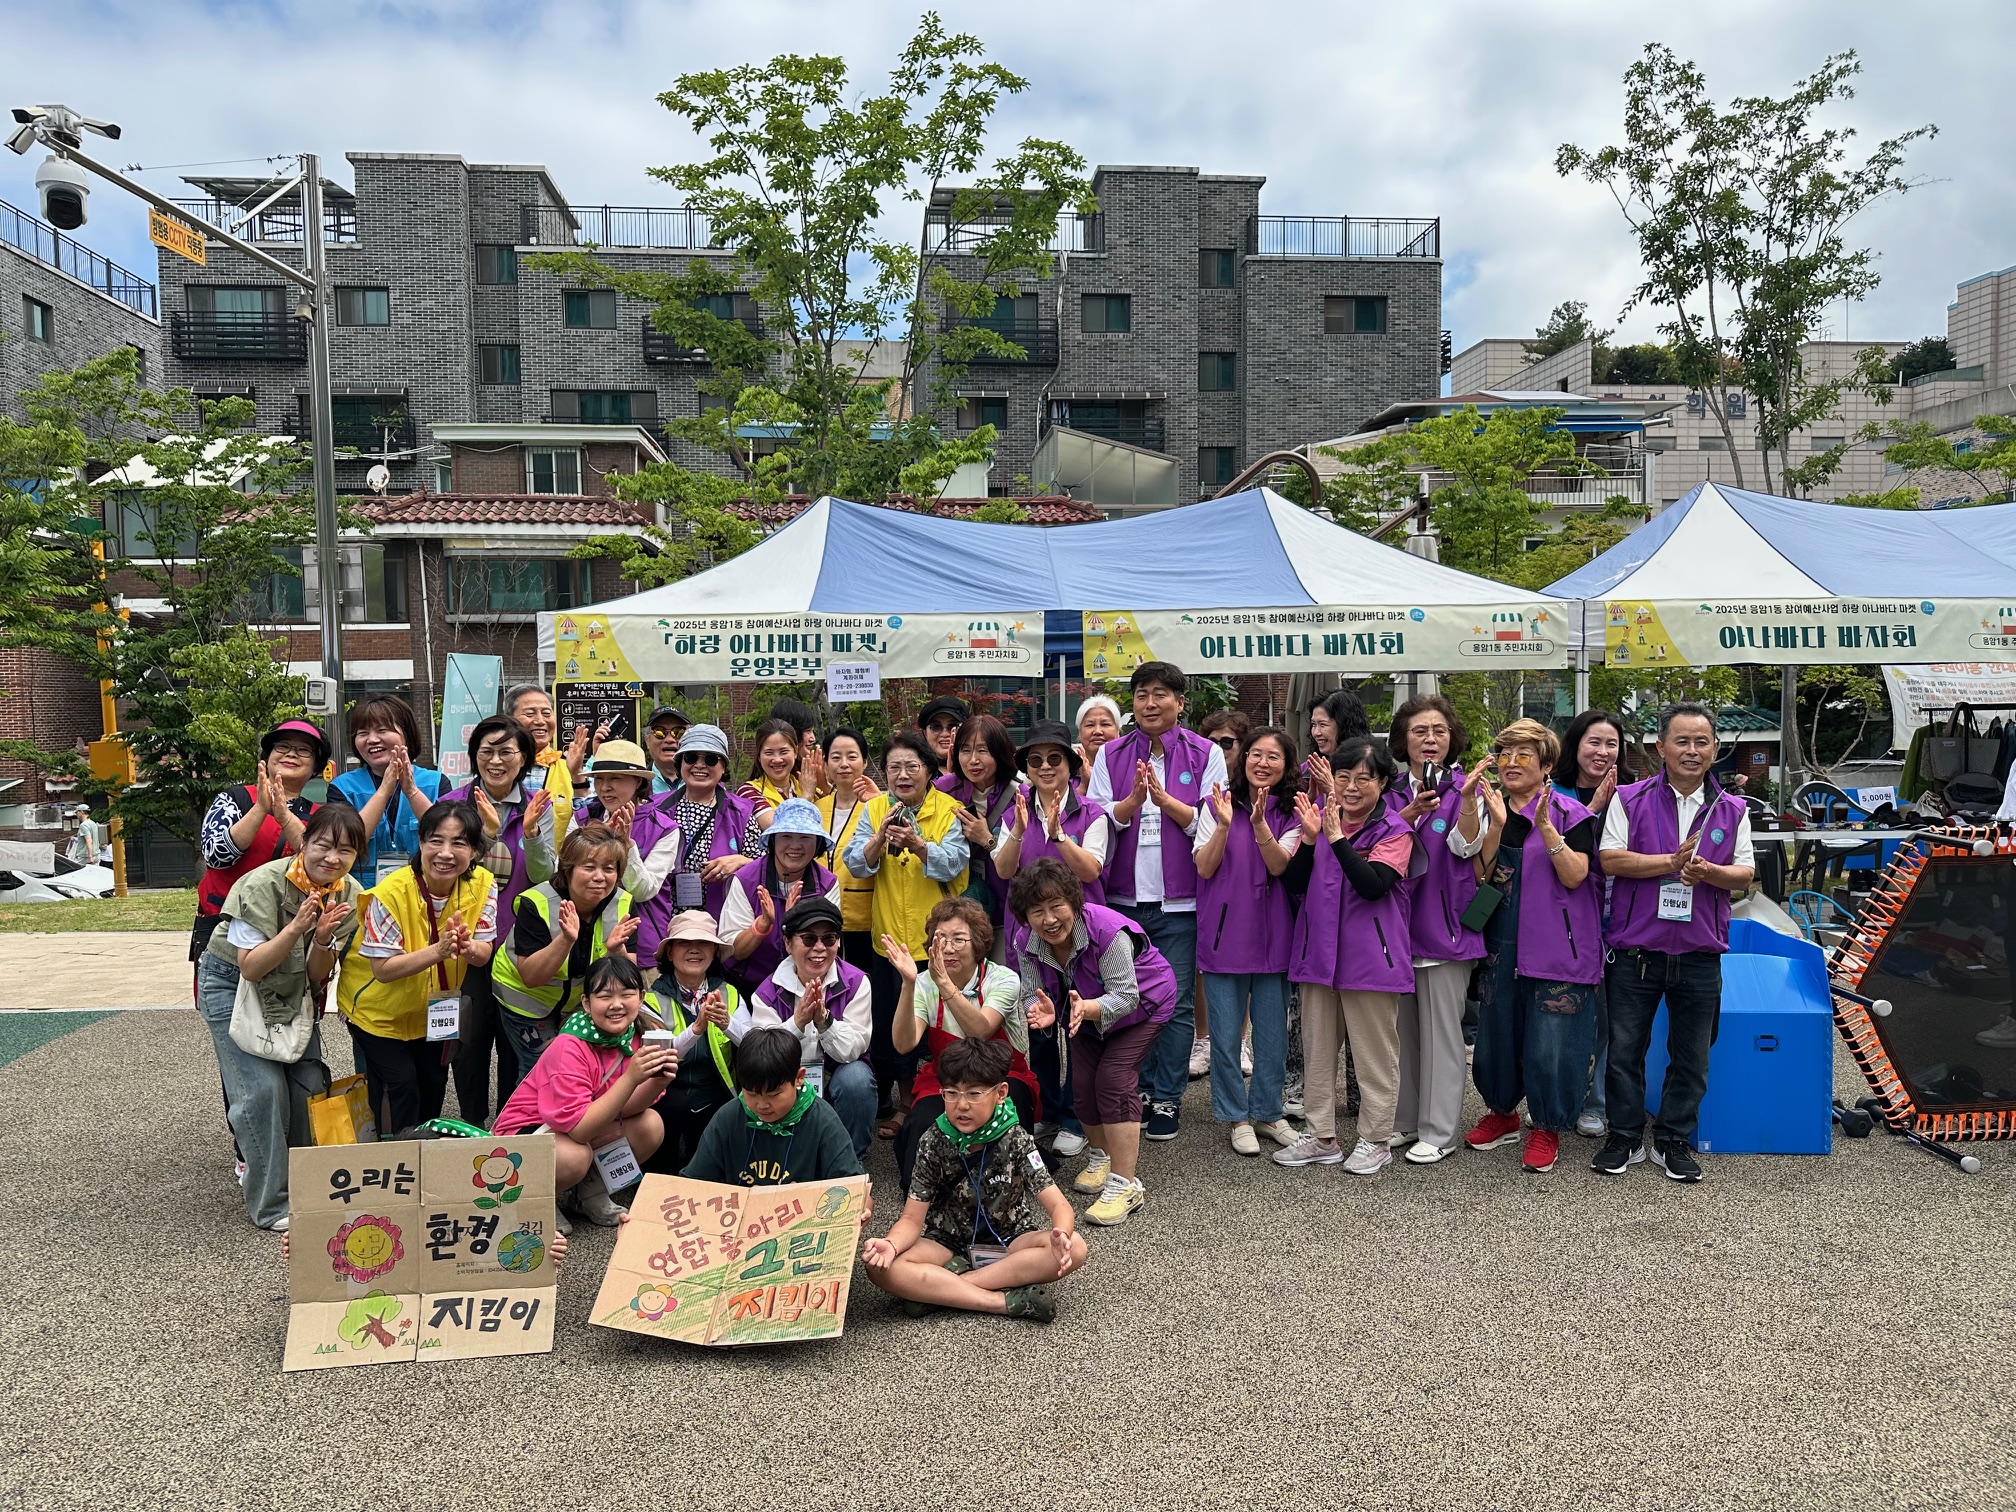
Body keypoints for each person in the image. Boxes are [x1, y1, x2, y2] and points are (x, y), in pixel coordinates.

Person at [1596, 703, 1755, 1183]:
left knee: (1693, 1057)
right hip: (1636, 952)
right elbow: (1609, 859)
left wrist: (1708, 871)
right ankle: (1624, 1136)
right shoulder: (1629, 799)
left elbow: (1745, 874)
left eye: (1701, 742)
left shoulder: (1732, 809)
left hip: (1700, 953)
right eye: (1681, 741)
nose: (1692, 750)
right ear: (1660, 747)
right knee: (1624, 1053)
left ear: (1715, 749)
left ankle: (1673, 1140)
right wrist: (1670, 862)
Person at [198, 804, 367, 1231]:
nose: (332, 858)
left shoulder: (349, 895)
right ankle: (271, 1204)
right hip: (233, 983)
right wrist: (296, 928)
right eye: (323, 845)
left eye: (345, 851)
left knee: (308, 1086)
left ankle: (306, 1190)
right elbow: (252, 967)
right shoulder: (261, 884)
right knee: (261, 1091)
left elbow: (314, 973)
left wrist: (322, 939)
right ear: (303, 842)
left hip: (294, 986)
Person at [1084, 661, 1226, 1143]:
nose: (1150, 703)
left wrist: (1165, 802)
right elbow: (1096, 818)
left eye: (1161, 694)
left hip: (1180, 903)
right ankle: (1138, 1091)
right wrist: (1131, 803)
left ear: (1180, 702)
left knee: (1178, 1004)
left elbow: (1213, 823)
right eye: (1142, 694)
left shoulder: (1206, 753)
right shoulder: (1112, 754)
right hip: (1122, 903)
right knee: (1131, 1000)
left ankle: (1168, 1096)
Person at [1459, 720, 1605, 1176]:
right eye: (1504, 754)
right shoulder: (1492, 810)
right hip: (1502, 943)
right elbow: (1482, 876)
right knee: (1496, 1035)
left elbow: (1576, 876)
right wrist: (1495, 826)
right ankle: (1502, 1112)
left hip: (1560, 945)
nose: (1511, 763)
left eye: (1523, 754)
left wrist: (1545, 828)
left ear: (1546, 765)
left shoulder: (1571, 814)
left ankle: (1548, 1125)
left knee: (1552, 1043)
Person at [864, 1036, 1086, 1324]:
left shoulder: (1016, 1137)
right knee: (880, 1266)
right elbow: (911, 1219)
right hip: (947, 1242)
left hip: (1010, 1240)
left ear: (1000, 1092)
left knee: (1076, 1247)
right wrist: (891, 1244)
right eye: (951, 1093)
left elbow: (1059, 1205)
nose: (962, 1105)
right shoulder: (933, 1140)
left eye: (974, 1094)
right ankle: (999, 1301)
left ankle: (945, 1289)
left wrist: (1061, 1234)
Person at [1010, 859, 1176, 1227]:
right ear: (1025, 916)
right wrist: (1041, 1010)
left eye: (1056, 906)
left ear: (1073, 902)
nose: (1049, 919)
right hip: (1079, 1010)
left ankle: (1126, 1185)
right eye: (1036, 911)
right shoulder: (1024, 940)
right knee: (1082, 1087)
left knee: (1113, 1080)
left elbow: (1126, 996)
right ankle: (1102, 1156)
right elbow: (1031, 992)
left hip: (1143, 1005)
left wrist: (1087, 1008)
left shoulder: (1108, 931)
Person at [1275, 738, 1414, 1175]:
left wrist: (1334, 838)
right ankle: (1321, 1136)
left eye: (1363, 778)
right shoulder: (1317, 819)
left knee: (1374, 1056)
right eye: (1343, 777)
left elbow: (1373, 885)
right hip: (1318, 954)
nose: (1351, 787)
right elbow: (1294, 883)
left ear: (1383, 782)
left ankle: (1376, 1139)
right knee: (1317, 1051)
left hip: (1371, 958)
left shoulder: (1394, 829)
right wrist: (1311, 839)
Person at [335, 799, 498, 1134]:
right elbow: (383, 969)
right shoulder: (390, 893)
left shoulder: (483, 884)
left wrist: (467, 947)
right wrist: (440, 950)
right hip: (377, 1011)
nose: (445, 853)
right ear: (421, 843)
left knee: (433, 1083)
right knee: (401, 1087)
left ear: (474, 851)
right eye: (436, 840)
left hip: (432, 1011)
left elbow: (483, 953)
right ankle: (397, 1154)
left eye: (459, 843)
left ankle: (423, 1150)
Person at [842, 731, 972, 1137]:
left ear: (929, 770)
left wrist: (917, 843)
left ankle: (950, 1102)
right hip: (890, 943)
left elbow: (955, 863)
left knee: (943, 1027)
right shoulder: (875, 808)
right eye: (894, 767)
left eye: (911, 766)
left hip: (939, 943)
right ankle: (905, 1104)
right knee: (895, 1029)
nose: (902, 775)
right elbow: (855, 862)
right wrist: (879, 838)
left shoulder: (949, 809)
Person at [994, 720, 1110, 1156]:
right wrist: (1020, 830)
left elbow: (1091, 870)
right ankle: (1048, 1107)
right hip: (1029, 937)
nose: (1045, 767)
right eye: (1036, 760)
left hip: (1078, 937)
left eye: (1055, 758)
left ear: (1071, 765)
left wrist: (1058, 833)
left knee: (1078, 1027)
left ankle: (1077, 1118)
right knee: (1038, 1021)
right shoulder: (1014, 812)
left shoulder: (1092, 813)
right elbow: (1004, 869)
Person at [492, 955, 672, 1226]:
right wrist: (632, 1077)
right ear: (586, 1003)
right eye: (604, 996)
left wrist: (658, 1081)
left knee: (650, 1125)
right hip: (526, 1135)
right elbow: (580, 1130)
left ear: (641, 997)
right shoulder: (569, 1045)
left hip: (571, 1129)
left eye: (626, 994)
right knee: (575, 1156)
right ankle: (534, 1201)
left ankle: (589, 1193)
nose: (616, 1004)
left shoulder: (640, 1036)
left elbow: (623, 1108)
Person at [1194, 726, 1303, 1156]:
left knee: (1273, 1035)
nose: (1263, 763)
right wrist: (1225, 825)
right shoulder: (1216, 803)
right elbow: (1204, 867)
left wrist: (1259, 824)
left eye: (1274, 756)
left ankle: (1268, 1112)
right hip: (1225, 935)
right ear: (1243, 759)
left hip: (1276, 935)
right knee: (1224, 1035)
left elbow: (1279, 865)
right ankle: (1236, 1116)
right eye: (1256, 753)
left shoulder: (1294, 811)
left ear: (1286, 765)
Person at [444, 714, 557, 1126]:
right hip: (467, 944)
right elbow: (445, 870)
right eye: (486, 751)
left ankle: (512, 1130)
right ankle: (471, 1125)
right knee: (468, 1044)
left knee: (518, 1046)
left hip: (521, 947)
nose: (495, 760)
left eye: (506, 751)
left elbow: (547, 875)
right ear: (474, 755)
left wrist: (531, 834)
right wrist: (487, 836)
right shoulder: (453, 805)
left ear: (524, 757)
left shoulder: (540, 805)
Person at [887, 897, 1035, 1188]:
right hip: (946, 1077)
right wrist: (908, 984)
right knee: (921, 1121)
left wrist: (944, 983)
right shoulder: (924, 982)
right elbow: (904, 1045)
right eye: (940, 939)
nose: (948, 948)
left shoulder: (1003, 979)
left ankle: (1003, 1185)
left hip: (1001, 1074)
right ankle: (931, 1191)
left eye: (958, 939)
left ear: (977, 943)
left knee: (1010, 1100)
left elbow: (979, 1031)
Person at [1388, 695, 1478, 1165]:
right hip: (1394, 930)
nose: (1430, 739)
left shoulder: (1468, 789)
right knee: (1402, 1033)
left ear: (1451, 738)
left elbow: (1468, 846)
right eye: (1419, 730)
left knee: (1442, 1033)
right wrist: (1409, 813)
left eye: (1439, 730)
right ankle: (1406, 1120)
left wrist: (1464, 802)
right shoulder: (1388, 791)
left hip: (1446, 930)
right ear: (1403, 740)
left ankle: (1439, 1130)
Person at [489, 823, 640, 1077]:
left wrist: (616, 952)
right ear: (568, 869)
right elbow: (531, 977)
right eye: (589, 867)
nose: (600, 877)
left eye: (609, 869)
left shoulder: (623, 903)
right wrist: (566, 940)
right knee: (540, 1069)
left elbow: (630, 978)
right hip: (526, 999)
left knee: (576, 1066)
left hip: (577, 1003)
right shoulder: (536, 902)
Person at [741, 897, 878, 1158]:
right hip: (788, 1081)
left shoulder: (857, 982)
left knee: (857, 1079)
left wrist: (824, 1022)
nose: (820, 948)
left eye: (829, 939)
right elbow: (764, 1058)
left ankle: (851, 1158)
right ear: (788, 943)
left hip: (837, 1074)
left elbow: (852, 1050)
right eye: (808, 939)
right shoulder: (765, 993)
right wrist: (798, 1022)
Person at [193, 719, 331, 965]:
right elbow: (216, 857)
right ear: (267, 757)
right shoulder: (234, 798)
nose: (291, 753)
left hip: (286, 932)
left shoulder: (320, 816)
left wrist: (284, 816)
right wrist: (260, 809)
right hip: (224, 926)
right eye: (283, 746)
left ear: (316, 767)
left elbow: (322, 868)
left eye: (303, 750)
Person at [1552, 708, 1630, 1139]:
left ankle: (1596, 1104)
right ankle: (1557, 1099)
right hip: (1560, 919)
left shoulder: (1630, 794)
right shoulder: (1551, 791)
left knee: (1605, 1019)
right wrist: (1593, 808)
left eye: (1611, 744)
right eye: (1593, 742)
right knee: (1561, 1017)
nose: (1602, 751)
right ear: (1575, 744)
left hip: (1614, 920)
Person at [629, 724, 762, 963]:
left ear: (723, 767)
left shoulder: (741, 814)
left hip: (719, 926)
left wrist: (742, 861)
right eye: (691, 757)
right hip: (662, 926)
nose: (700, 765)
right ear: (680, 763)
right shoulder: (652, 809)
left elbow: (765, 867)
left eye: (710, 759)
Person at [681, 1025, 864, 1187]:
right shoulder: (728, 1117)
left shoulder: (822, 1120)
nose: (762, 1105)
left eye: (774, 1094)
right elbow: (694, 1182)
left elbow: (851, 1186)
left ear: (799, 1078)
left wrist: (863, 1206)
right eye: (751, 1093)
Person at [644, 910, 743, 1174]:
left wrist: (727, 1024)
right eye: (685, 943)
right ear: (670, 952)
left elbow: (754, 1042)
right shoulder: (651, 999)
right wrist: (696, 1029)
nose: (694, 949)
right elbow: (657, 1058)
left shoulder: (730, 992)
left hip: (717, 1092)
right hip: (666, 1093)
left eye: (703, 943)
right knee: (673, 1106)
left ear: (714, 952)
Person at [717, 797, 840, 994]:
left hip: (805, 986)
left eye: (805, 837)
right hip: (747, 985)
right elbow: (733, 952)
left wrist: (793, 927)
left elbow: (826, 947)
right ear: (773, 840)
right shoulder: (746, 879)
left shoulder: (828, 883)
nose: (795, 846)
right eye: (786, 836)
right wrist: (761, 926)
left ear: (818, 843)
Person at [327, 694, 446, 885]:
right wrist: (384, 790)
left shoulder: (436, 783)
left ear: (406, 734)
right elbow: (345, 844)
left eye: (382, 730)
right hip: (360, 891)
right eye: (362, 733)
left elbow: (449, 836)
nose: (372, 739)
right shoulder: (342, 788)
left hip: (423, 887)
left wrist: (412, 792)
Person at [937, 712, 1021, 946]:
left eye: (983, 750)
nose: (973, 760)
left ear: (999, 752)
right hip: (956, 902)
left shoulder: (1020, 795)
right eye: (965, 750)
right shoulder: (943, 790)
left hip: (1007, 904)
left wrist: (986, 839)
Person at [816, 726, 880, 973]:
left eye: (852, 756)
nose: (844, 764)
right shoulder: (816, 808)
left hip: (864, 918)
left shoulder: (877, 806)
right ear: (825, 764)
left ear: (865, 762)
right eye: (836, 757)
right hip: (820, 916)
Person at [503, 684, 580, 843]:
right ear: (509, 720)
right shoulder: (497, 767)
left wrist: (578, 777)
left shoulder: (568, 768)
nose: (540, 721)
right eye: (530, 713)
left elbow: (586, 819)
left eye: (546, 713)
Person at [740, 717, 801, 822]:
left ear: (795, 752)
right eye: (769, 753)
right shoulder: (749, 792)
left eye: (783, 751)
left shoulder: (806, 787)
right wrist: (807, 797)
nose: (777, 759)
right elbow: (779, 828)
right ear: (759, 756)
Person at [768, 696, 827, 799]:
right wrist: (807, 794)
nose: (813, 738)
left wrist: (825, 786)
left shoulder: (806, 778)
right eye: (808, 731)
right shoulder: (753, 791)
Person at [1074, 695, 1124, 792]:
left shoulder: (1131, 768)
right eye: (1090, 725)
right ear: (1080, 732)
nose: (1097, 731)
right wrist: (1084, 786)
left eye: (1105, 724)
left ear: (1118, 731)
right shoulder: (1066, 771)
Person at [643, 704, 690, 796]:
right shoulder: (636, 785)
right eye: (659, 732)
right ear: (647, 741)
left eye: (678, 732)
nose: (669, 739)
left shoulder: (707, 782)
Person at [916, 694, 971, 771]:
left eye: (953, 726)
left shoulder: (978, 769)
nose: (944, 734)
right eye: (936, 727)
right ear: (925, 734)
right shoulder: (916, 771)